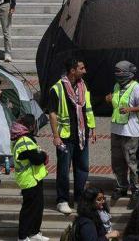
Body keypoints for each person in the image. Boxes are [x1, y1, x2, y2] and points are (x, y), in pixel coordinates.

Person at [47, 59, 96, 215]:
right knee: (63, 169)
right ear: (72, 71)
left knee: (82, 168)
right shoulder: (57, 88)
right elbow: (52, 113)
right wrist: (55, 136)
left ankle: (80, 198)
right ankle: (62, 200)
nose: (85, 71)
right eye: (82, 68)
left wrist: (92, 127)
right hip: (65, 136)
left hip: (81, 134)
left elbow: (87, 108)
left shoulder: (82, 85)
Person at [105, 61, 139, 202]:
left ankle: (136, 188)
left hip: (130, 131)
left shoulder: (136, 88)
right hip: (116, 129)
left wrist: (130, 109)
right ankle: (121, 186)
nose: (117, 74)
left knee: (132, 161)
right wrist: (109, 100)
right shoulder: (117, 86)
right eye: (115, 71)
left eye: (119, 71)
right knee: (117, 161)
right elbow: (116, 103)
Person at [11, 114, 49, 241]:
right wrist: (44, 155)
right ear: (31, 126)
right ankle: (22, 236)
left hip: (35, 178)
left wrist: (40, 155)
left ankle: (34, 232)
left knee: (38, 207)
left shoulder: (24, 138)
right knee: (29, 209)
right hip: (29, 180)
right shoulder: (24, 140)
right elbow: (37, 159)